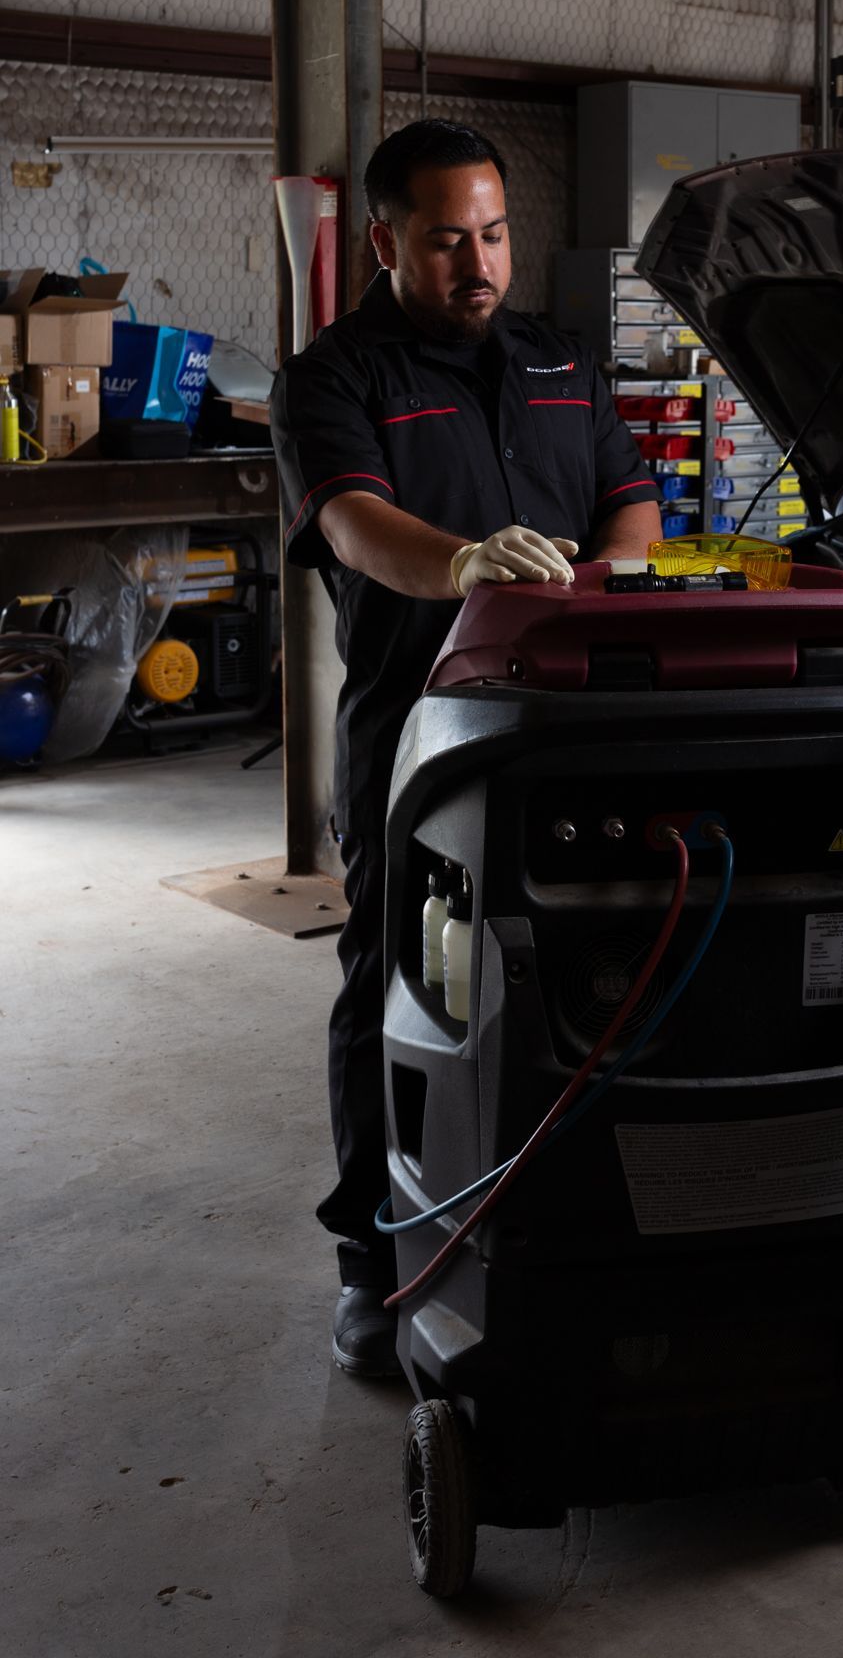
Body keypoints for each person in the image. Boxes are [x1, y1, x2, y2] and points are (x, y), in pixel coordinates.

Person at [270, 119, 661, 1375]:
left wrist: (616, 580)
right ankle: (373, 1257)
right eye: (447, 241)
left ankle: (568, 1224)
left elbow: (628, 495)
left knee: (585, 970)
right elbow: (351, 524)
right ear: (386, 240)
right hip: (419, 726)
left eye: (493, 235)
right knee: (401, 978)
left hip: (571, 718)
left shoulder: (560, 361)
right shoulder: (332, 377)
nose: (477, 262)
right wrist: (465, 565)